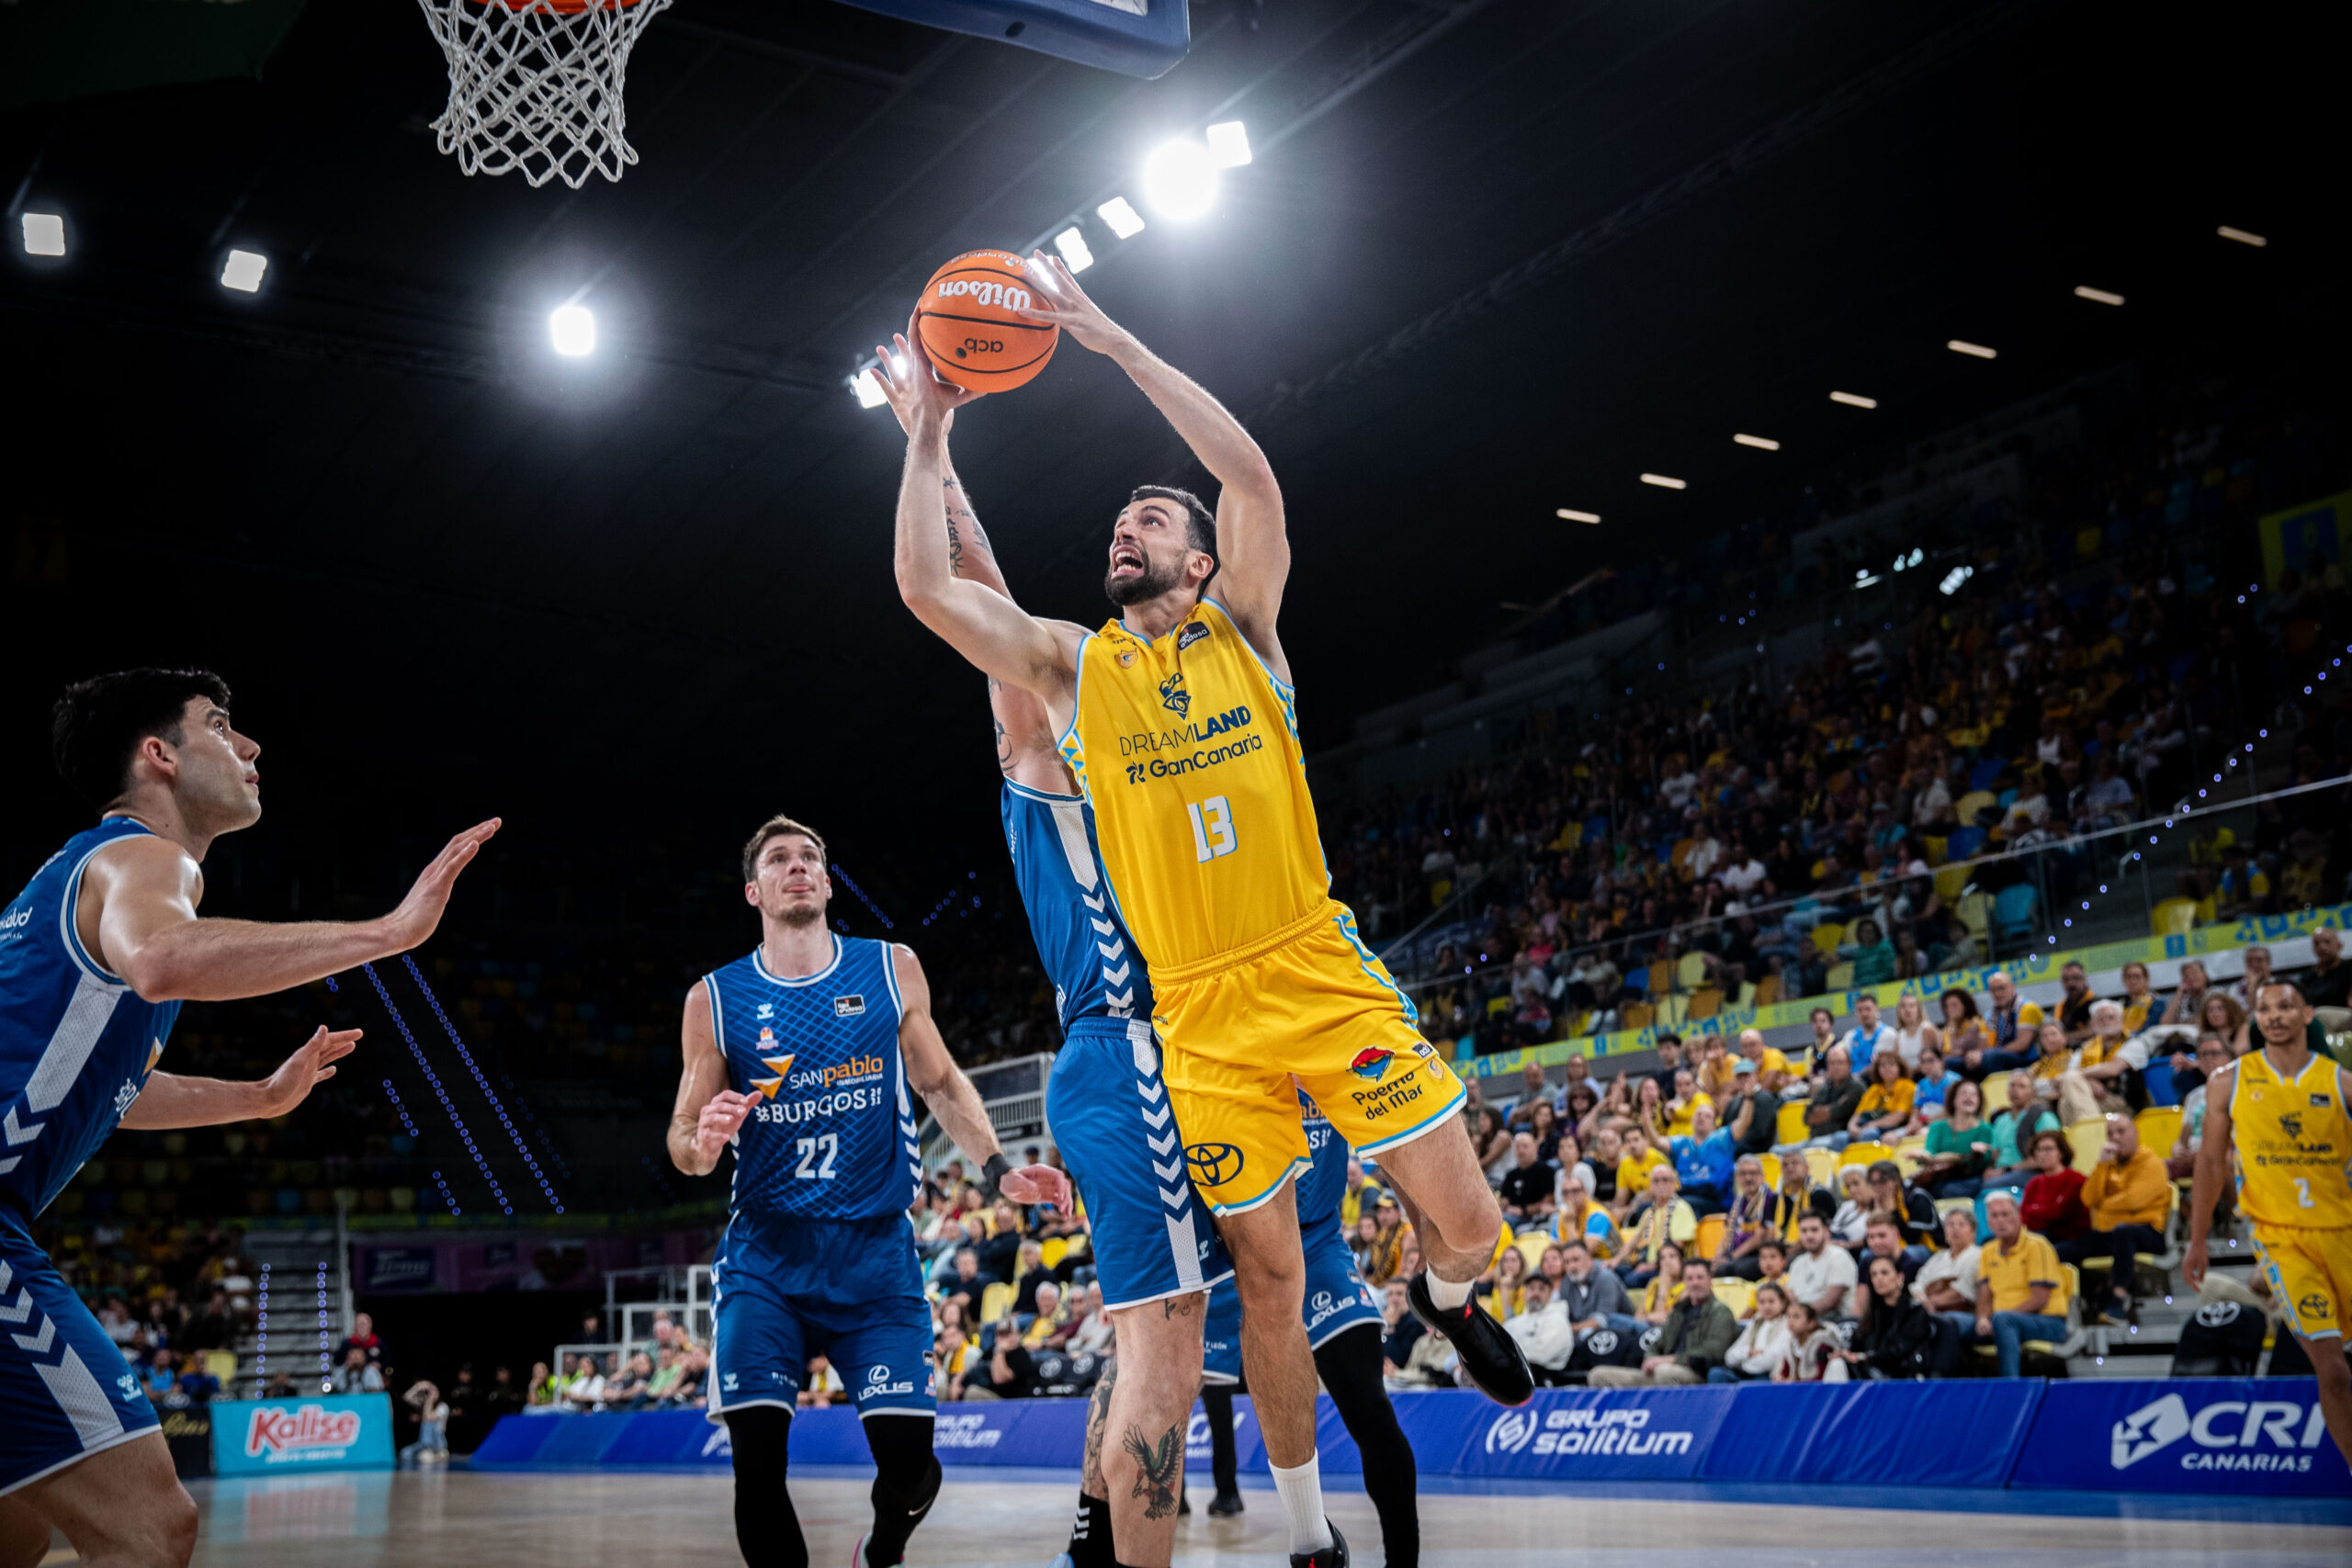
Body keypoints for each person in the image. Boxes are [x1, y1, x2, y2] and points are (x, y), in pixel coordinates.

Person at [882, 253, 1527, 1568]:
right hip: (1199, 1022)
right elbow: (931, 593)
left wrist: (1113, 342)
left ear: (1201, 555)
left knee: (1473, 1223)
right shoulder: (1076, 668)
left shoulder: (1246, 628)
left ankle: (1445, 1295)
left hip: (1314, 966)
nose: (1125, 534)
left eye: (1150, 522)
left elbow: (1255, 479)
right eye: (1118, 525)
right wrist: (930, 436)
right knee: (1269, 1283)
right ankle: (1303, 1532)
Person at [0, 669, 497, 1568]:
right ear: (159, 755)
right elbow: (163, 958)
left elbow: (107, 1091)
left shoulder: (72, 880)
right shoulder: (143, 859)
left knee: (22, 1522)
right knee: (150, 1527)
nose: (251, 745)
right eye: (221, 725)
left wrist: (258, 1097)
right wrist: (388, 932)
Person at [667, 815, 1068, 1568]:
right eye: (778, 859)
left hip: (876, 1254)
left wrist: (997, 1168)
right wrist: (703, 1142)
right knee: (757, 1460)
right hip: (767, 1257)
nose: (797, 866)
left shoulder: (890, 967)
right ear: (754, 890)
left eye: (809, 856)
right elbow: (684, 1139)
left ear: (826, 881)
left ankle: (882, 1549)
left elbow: (940, 1082)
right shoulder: (715, 998)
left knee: (910, 1465)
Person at [1195, 1090, 1419, 1567]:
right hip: (1237, 1252)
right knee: (1192, 1394)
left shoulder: (1331, 1051)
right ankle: (1220, 1495)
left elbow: (1397, 1137)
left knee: (1370, 1408)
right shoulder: (1211, 1057)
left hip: (1315, 1241)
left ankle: (1403, 1560)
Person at [2186, 978, 2352, 1465]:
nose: (2275, 1015)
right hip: (2281, 1240)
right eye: (2265, 1008)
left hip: (2343, 1233)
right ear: (2256, 1019)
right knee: (2333, 1372)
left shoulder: (2340, 1082)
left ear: (2307, 1015)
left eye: (2286, 1006)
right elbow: (2210, 1162)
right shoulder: (2229, 1081)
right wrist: (2197, 1239)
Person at [2053, 1115, 2169, 1324]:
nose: (2115, 1137)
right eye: (2110, 1133)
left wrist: (2104, 1206)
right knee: (2060, 1251)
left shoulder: (2152, 1163)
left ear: (2135, 1133)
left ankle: (2118, 1299)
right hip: (2110, 1233)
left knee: (2124, 1232)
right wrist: (2102, 1165)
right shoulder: (2108, 1165)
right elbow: (2088, 1198)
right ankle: (2088, 1298)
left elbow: (2133, 1200)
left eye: (2121, 1131)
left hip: (2148, 1232)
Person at [1949, 1190, 2065, 1377]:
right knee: (1949, 1322)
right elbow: (1985, 1294)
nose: (2000, 1220)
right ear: (1988, 1221)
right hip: (2001, 1322)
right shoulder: (1988, 1251)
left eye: (2005, 1214)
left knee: (2003, 1320)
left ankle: (2010, 1384)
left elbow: (2040, 1299)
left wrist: (1997, 1319)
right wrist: (1983, 1318)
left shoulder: (2037, 1245)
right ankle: (1946, 1383)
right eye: (1994, 1216)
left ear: (2018, 1215)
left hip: (2047, 1321)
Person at [1589, 1258, 1737, 1386]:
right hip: (1662, 1371)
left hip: (1696, 1374)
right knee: (1598, 1375)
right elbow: (1657, 1344)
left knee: (1664, 1372)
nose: (1695, 1283)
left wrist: (1671, 1360)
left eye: (1700, 1278)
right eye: (1690, 1278)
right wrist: (1650, 1360)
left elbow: (1713, 1352)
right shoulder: (1679, 1310)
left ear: (1710, 1279)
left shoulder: (1721, 1312)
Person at [1837, 1255, 1943, 1379]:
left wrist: (1865, 1357)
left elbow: (1901, 1350)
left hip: (1903, 1374)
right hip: (1871, 1371)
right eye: (1874, 1275)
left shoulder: (1914, 1310)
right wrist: (1844, 1353)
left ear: (1900, 1277)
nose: (1878, 1278)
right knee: (1837, 1363)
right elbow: (1857, 1344)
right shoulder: (1873, 1312)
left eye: (1884, 1273)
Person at [1979, 1071, 2059, 1192]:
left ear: (2033, 1093)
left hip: (2031, 1173)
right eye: (2012, 1085)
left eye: (2022, 1086)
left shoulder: (2044, 1118)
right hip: (2003, 1174)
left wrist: (2008, 1170)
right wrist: (1990, 1170)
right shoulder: (2001, 1120)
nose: (2015, 1090)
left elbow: (2049, 1157)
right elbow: (1995, 1155)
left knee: (1989, 1186)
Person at [1777, 1045, 1864, 1154]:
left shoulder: (1856, 1086)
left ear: (1849, 1065)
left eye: (1840, 1062)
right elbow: (1807, 1117)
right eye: (1832, 1063)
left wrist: (1822, 1112)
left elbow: (1839, 1111)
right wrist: (1832, 1109)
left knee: (1818, 1144)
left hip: (1841, 1138)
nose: (1836, 1067)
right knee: (1777, 1151)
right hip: (1814, 1138)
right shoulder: (1824, 1087)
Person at [1916, 1078, 1991, 1196]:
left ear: (1979, 1101)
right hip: (1940, 1177)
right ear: (1953, 1099)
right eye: (1964, 1093)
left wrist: (1979, 1154)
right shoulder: (1937, 1127)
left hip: (1971, 1179)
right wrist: (1922, 1156)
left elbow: (1986, 1162)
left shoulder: (1985, 1129)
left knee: (1949, 1191)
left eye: (1974, 1094)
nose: (1969, 1097)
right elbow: (1930, 1151)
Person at [1555, 1240, 1642, 1340]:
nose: (1571, 1266)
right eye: (1567, 1262)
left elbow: (1601, 1321)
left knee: (1587, 1333)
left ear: (1588, 1257)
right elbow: (1562, 1316)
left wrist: (1569, 1328)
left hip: (1618, 1336)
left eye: (1576, 1260)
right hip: (1582, 1335)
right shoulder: (1567, 1282)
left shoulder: (1606, 1278)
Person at [1710, 1282, 1793, 1382]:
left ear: (1782, 1303)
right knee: (1715, 1373)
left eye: (1771, 1301)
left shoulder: (1787, 1325)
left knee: (1754, 1383)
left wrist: (1745, 1361)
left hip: (1766, 1376)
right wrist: (1748, 1352)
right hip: (1745, 1373)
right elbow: (1729, 1357)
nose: (1766, 1306)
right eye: (1762, 1302)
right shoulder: (1756, 1322)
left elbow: (1769, 1362)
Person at [2017, 1128, 2088, 1241]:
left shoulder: (2076, 1179)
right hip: (2039, 1235)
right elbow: (2024, 1216)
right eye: (2038, 1150)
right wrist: (2045, 1210)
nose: (2042, 1154)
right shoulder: (2034, 1183)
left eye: (2048, 1149)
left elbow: (2060, 1213)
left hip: (2070, 1238)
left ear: (2061, 1152)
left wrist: (2034, 1210)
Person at [1785, 1213, 1858, 1321]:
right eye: (1804, 1231)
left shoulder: (1839, 1257)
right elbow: (1791, 1296)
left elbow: (1831, 1302)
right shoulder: (1798, 1263)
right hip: (1801, 1321)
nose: (1809, 1236)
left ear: (1826, 1232)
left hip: (1832, 1321)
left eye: (1814, 1230)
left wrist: (1801, 1317)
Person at [1912, 1207, 1981, 1314]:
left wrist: (1932, 1303)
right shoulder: (1937, 1258)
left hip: (1962, 1311)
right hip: (1928, 1309)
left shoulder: (1979, 1255)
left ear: (1973, 1231)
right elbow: (1919, 1283)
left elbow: (1964, 1290)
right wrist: (1922, 1299)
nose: (1955, 1229)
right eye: (1950, 1225)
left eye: (1961, 1224)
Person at [1848, 1051, 1916, 1143]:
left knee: (1868, 1134)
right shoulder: (1873, 1089)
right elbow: (1857, 1114)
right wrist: (1852, 1127)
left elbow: (1899, 1116)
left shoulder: (1908, 1086)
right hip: (1864, 1125)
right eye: (1883, 1065)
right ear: (1877, 1069)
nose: (1887, 1068)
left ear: (1900, 1067)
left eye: (1891, 1064)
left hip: (1889, 1128)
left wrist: (1872, 1125)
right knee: (1839, 1138)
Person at [1774, 1300, 1846, 1382]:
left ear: (1811, 1323)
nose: (1791, 1320)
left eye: (1796, 1317)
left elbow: (1821, 1377)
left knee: (1837, 1363)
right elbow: (1786, 1371)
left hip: (1821, 1388)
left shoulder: (1822, 1344)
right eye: (1789, 1316)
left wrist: (1795, 1382)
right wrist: (1780, 1377)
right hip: (1802, 1387)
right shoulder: (1792, 1344)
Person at [1497, 1132, 1555, 1222]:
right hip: (1511, 1214)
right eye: (1517, 1147)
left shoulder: (1546, 1171)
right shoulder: (1510, 1175)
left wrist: (1523, 1210)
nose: (1521, 1151)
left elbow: (1548, 1202)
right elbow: (1505, 1199)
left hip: (1535, 1217)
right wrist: (1502, 1208)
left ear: (1535, 1149)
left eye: (1525, 1146)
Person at [400, 1379, 448, 1468]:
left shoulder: (443, 1407)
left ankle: (436, 1452)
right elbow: (406, 1397)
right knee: (404, 1453)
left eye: (434, 1391)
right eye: (430, 1392)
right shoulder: (425, 1404)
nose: (432, 1393)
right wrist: (418, 1387)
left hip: (437, 1442)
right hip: (423, 1442)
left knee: (428, 1424)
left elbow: (428, 1418)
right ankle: (429, 1453)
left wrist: (429, 1402)